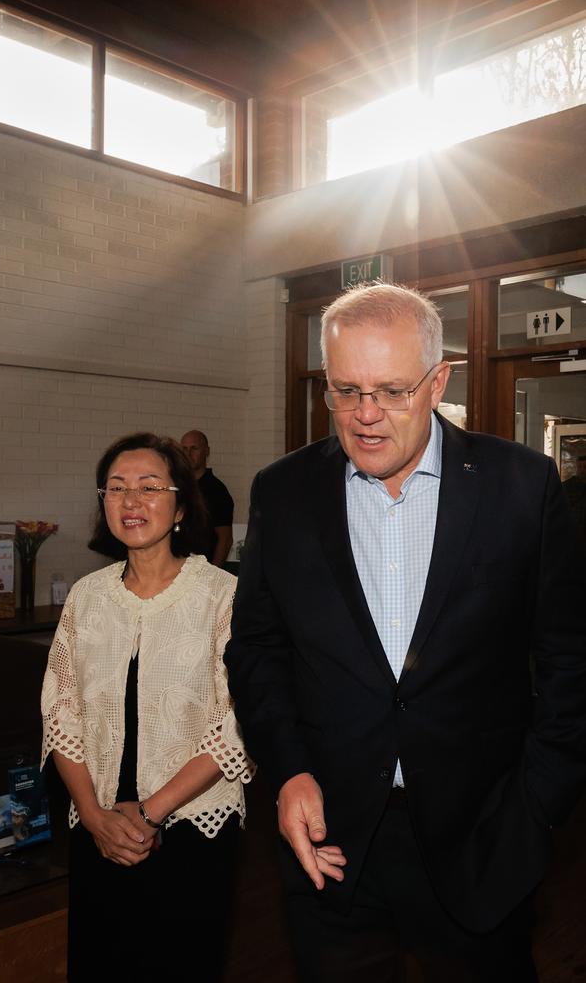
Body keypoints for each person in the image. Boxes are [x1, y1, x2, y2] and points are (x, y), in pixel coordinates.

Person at [224, 283, 586, 983]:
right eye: (345, 390)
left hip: (483, 836)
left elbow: (569, 658)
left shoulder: (521, 486)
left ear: (438, 380)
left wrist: (536, 808)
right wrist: (289, 768)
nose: (365, 415)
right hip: (330, 843)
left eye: (391, 390)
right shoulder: (285, 492)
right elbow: (258, 646)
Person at [41, 432, 254, 982]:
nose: (131, 501)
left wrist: (151, 811)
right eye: (116, 489)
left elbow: (237, 721)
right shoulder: (87, 598)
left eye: (149, 487)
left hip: (190, 831)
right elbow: (60, 713)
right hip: (99, 830)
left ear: (181, 506)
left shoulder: (223, 596)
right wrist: (92, 815)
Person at [181, 430, 234, 567]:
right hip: (174, 568)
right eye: (184, 449)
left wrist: (213, 574)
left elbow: (225, 539)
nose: (188, 454)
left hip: (202, 569)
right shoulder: (175, 486)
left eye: (194, 448)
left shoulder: (217, 491)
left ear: (206, 451)